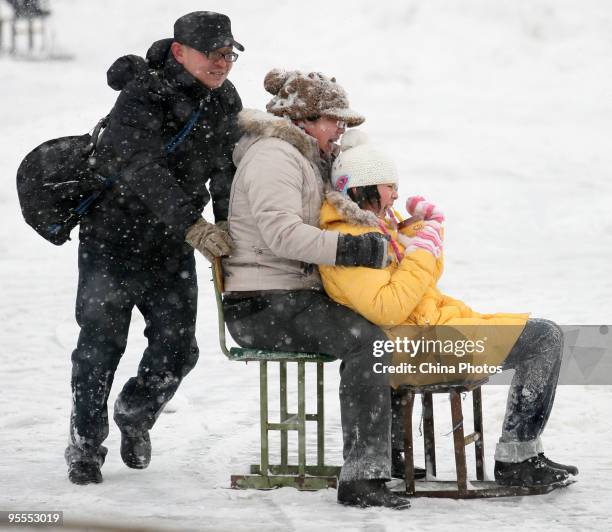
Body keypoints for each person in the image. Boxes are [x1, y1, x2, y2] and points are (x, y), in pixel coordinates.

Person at [318, 130, 578, 487]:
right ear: (363, 189)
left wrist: (428, 231)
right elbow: (389, 308)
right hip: (418, 348)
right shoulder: (350, 240)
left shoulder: (373, 227)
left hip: (430, 332)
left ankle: (521, 454)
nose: (395, 193)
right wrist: (423, 250)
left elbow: (420, 284)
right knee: (543, 338)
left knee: (542, 335)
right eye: (389, 185)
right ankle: (518, 457)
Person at [65, 11, 243, 485]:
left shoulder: (224, 100)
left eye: (229, 54)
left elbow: (226, 171)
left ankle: (135, 412)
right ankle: (85, 444)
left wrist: (226, 225)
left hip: (171, 249)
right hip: (111, 241)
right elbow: (139, 168)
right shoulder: (143, 93)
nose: (222, 64)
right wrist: (195, 226)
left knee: (179, 349)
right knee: (99, 348)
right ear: (181, 52)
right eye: (213, 54)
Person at [222, 69, 412, 509]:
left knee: (389, 323)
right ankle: (363, 477)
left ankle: (387, 459)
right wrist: (356, 249)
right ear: (303, 119)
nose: (342, 131)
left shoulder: (307, 155)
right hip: (261, 305)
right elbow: (282, 236)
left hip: (291, 295)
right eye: (335, 121)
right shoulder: (274, 157)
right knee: (370, 344)